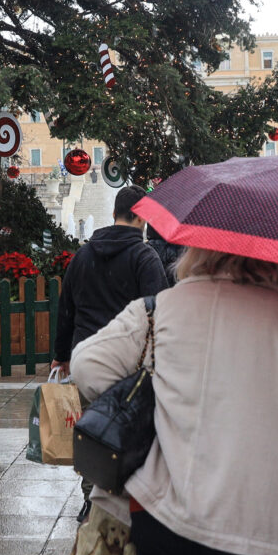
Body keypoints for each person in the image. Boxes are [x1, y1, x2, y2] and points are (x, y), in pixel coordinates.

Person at [71, 247, 278, 555]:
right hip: (266, 531)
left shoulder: (160, 310)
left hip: (168, 517)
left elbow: (87, 366)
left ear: (197, 251)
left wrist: (156, 398)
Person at [51, 185, 170, 522]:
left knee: (92, 432)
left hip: (86, 359)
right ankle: (126, 504)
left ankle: (91, 501)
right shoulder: (144, 258)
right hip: (129, 364)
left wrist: (62, 354)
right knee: (131, 432)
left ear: (115, 212)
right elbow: (160, 310)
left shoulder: (83, 255)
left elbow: (66, 308)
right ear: (142, 217)